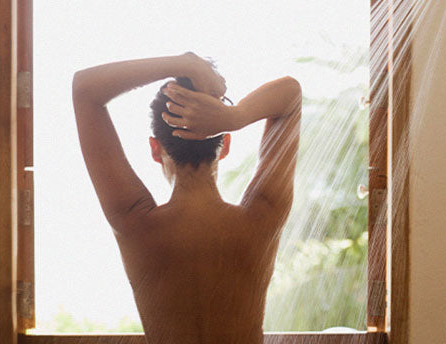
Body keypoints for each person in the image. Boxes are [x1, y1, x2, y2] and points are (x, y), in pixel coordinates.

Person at [72, 52, 301, 344]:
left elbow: (85, 91)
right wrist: (235, 116)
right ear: (225, 143)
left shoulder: (134, 221)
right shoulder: (262, 216)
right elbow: (290, 95)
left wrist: (182, 64)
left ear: (156, 150)